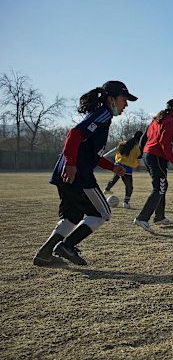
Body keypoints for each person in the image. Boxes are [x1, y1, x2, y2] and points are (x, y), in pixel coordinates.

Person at [33, 81, 137, 266]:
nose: (126, 105)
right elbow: (73, 135)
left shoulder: (101, 116)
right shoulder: (103, 114)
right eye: (124, 100)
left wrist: (112, 167)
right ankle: (68, 246)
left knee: (72, 217)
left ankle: (44, 253)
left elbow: (92, 154)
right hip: (77, 174)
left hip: (65, 173)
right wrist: (71, 164)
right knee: (101, 213)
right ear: (111, 99)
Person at [133, 99, 173, 233]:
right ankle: (142, 218)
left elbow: (143, 138)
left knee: (161, 185)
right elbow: (164, 143)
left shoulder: (156, 120)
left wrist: (143, 152)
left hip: (150, 155)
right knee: (160, 186)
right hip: (156, 156)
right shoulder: (169, 122)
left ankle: (159, 216)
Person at [103, 130, 143, 209]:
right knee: (129, 187)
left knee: (116, 177)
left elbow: (114, 150)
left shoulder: (123, 143)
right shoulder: (137, 149)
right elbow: (140, 161)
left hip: (117, 165)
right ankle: (126, 202)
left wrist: (104, 156)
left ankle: (107, 189)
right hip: (126, 169)